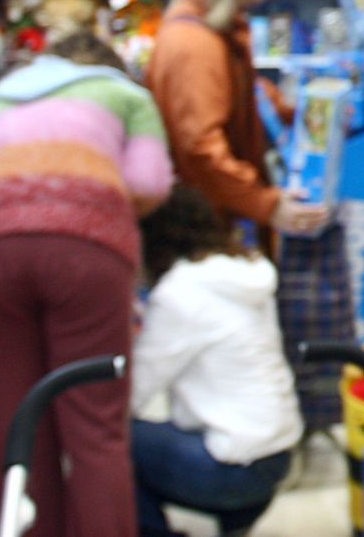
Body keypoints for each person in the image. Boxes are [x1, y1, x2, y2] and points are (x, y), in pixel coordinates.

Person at [0, 31, 173, 537]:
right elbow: (150, 182)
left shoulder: (6, 97)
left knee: (16, 428)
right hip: (86, 253)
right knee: (95, 431)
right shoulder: (127, 96)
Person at [131, 185, 302, 537]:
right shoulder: (245, 271)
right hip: (277, 455)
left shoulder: (180, 293)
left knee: (108, 437)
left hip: (230, 468)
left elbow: (132, 393)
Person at [146, 0, 328, 238]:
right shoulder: (194, 44)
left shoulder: (216, 31)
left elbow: (241, 93)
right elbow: (200, 148)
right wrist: (265, 204)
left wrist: (295, 110)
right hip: (199, 229)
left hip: (210, 217)